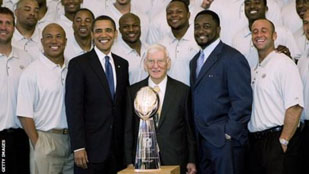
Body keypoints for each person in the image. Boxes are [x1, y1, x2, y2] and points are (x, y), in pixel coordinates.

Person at [190, 10, 252, 174]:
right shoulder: (194, 61)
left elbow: (242, 101)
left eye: (207, 26)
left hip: (224, 143)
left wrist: (228, 133)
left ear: (218, 29)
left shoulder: (232, 58)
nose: (201, 31)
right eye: (197, 27)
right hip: (202, 142)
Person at [65, 15, 129, 174]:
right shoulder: (79, 64)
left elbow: (122, 106)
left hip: (117, 151)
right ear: (92, 34)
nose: (103, 35)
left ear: (115, 34)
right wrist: (78, 146)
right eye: (98, 31)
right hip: (89, 151)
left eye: (108, 30)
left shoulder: (122, 64)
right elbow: (74, 108)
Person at [124, 44, 196, 174]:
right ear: (145, 64)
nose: (155, 66)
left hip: (175, 159)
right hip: (142, 161)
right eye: (151, 61)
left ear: (168, 63)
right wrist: (129, 160)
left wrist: (192, 160)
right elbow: (128, 130)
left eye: (160, 61)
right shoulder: (133, 92)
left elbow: (189, 129)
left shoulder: (183, 91)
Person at [248, 19, 304, 174]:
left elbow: (295, 106)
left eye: (264, 30)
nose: (259, 34)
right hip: (256, 143)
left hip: (277, 140)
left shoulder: (283, 63)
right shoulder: (254, 69)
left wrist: (283, 141)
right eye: (255, 31)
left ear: (274, 35)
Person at [17, 23, 73, 174]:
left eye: (58, 36)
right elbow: (24, 113)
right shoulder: (31, 72)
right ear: (42, 42)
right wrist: (38, 144)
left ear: (66, 41)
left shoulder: (73, 68)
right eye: (49, 37)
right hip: (46, 139)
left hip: (71, 141)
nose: (54, 41)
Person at [0, 7, 32, 174]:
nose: (3, 27)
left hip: (21, 136)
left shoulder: (26, 58)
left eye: (8, 23)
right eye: (0, 22)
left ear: (14, 27)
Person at [232, 0, 300, 68]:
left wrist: (288, 57)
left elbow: (297, 63)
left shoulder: (283, 32)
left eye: (257, 3)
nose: (252, 6)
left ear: (266, 8)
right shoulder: (238, 38)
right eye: (248, 3)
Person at [158, 0, 200, 86]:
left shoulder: (199, 41)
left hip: (195, 96)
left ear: (188, 15)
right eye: (170, 13)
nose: (174, 15)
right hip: (171, 97)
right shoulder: (161, 44)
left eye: (179, 12)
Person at [113, 13, 148, 84]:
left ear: (140, 27)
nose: (131, 30)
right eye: (126, 27)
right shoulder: (114, 53)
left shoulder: (150, 49)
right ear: (119, 30)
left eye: (135, 26)